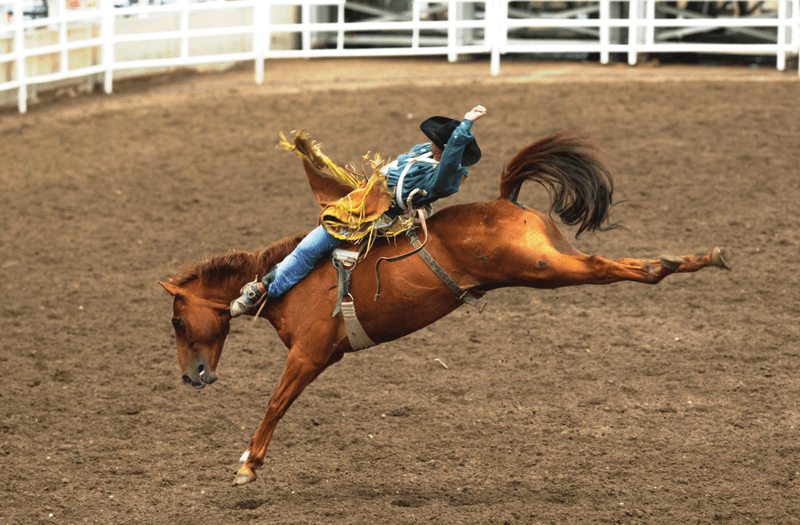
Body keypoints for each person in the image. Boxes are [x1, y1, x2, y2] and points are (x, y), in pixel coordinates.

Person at [230, 104, 487, 317]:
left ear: (449, 150)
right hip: (366, 197)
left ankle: (264, 289)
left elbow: (450, 158)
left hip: (376, 214)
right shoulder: (427, 153)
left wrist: (465, 125)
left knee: (311, 246)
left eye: (439, 142)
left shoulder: (445, 177)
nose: (432, 143)